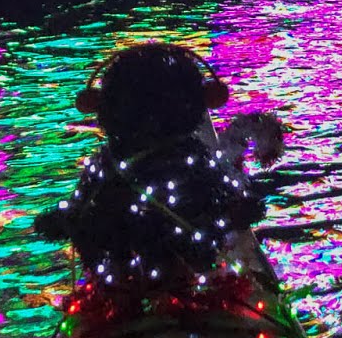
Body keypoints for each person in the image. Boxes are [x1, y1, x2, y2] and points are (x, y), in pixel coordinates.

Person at [35, 42, 283, 293]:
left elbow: (82, 210)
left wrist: (68, 220)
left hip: (142, 274)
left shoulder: (110, 164)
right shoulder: (189, 160)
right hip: (161, 267)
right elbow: (224, 200)